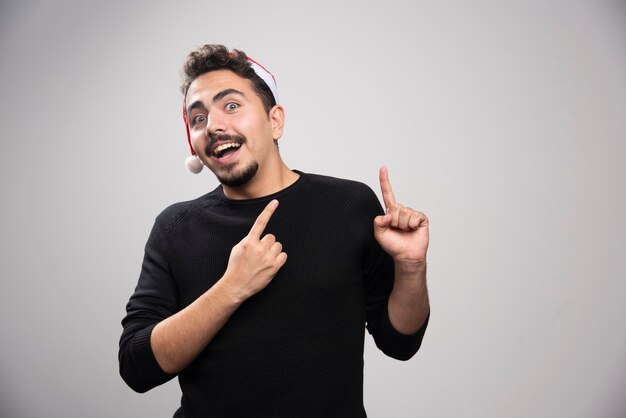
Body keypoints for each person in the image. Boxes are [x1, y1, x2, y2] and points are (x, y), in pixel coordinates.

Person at [119, 44, 430, 418]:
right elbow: (137, 367)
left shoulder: (350, 205)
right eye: (197, 118)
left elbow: (400, 342)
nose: (213, 125)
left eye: (231, 105)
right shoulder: (175, 228)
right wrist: (231, 288)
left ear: (275, 120)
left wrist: (411, 268)